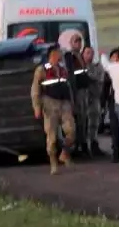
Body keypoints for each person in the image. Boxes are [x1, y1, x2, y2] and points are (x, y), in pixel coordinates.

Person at [31, 45, 75, 174]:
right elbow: (35, 90)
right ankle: (53, 163)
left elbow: (68, 87)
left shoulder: (62, 69)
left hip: (64, 104)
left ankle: (65, 153)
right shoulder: (42, 70)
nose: (61, 55)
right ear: (53, 54)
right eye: (58, 53)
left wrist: (71, 103)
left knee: (71, 131)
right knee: (52, 136)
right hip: (50, 104)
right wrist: (37, 107)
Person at [62, 32, 92, 159]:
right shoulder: (70, 57)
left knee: (85, 118)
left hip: (84, 91)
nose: (78, 43)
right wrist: (72, 95)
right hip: (77, 92)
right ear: (71, 43)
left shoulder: (80, 55)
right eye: (76, 41)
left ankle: (83, 144)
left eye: (80, 41)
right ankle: (80, 145)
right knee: (79, 119)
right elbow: (71, 77)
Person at [81, 46, 106, 158]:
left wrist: (86, 76)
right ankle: (83, 146)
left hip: (94, 97)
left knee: (94, 123)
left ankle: (94, 144)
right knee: (82, 123)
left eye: (91, 53)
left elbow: (97, 78)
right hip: (82, 99)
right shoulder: (78, 66)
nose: (89, 55)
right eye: (87, 53)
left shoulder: (97, 67)